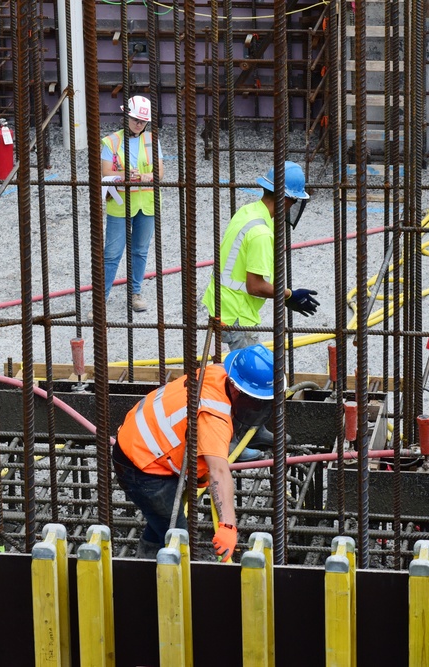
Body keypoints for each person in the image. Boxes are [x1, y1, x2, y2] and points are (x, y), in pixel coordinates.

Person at [113, 344, 277, 560]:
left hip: (144, 441)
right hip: (142, 465)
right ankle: (155, 579)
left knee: (162, 521)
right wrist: (228, 525)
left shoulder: (220, 372)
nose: (258, 408)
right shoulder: (213, 416)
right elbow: (219, 472)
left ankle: (147, 558)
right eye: (255, 402)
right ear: (237, 389)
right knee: (177, 535)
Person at [203, 160, 319, 352]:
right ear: (286, 199)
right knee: (250, 376)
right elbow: (255, 286)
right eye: (294, 200)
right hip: (237, 314)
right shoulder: (261, 233)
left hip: (222, 303)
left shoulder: (247, 212)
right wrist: (289, 295)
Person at [98, 95, 165, 316]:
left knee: (140, 251)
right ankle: (101, 299)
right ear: (126, 115)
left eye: (143, 121)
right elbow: (105, 172)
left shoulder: (152, 141)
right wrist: (124, 175)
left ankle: (135, 293)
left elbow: (161, 173)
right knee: (112, 253)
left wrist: (146, 176)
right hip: (120, 205)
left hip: (146, 204)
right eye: (136, 119)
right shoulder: (111, 141)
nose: (139, 124)